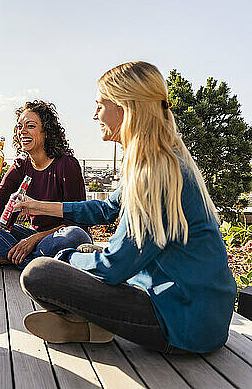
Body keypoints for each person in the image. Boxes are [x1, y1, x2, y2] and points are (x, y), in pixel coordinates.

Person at [18, 61, 237, 354]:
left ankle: (89, 322)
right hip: (199, 314)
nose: (95, 114)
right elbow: (107, 208)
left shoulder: (154, 174)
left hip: (181, 324)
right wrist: (41, 207)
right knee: (84, 255)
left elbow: (113, 267)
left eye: (100, 105)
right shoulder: (163, 159)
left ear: (124, 107)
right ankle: (90, 327)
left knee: (40, 273)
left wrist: (66, 257)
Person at [0, 100, 92, 269]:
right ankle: (38, 264)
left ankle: (19, 259)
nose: (22, 131)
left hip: (61, 236)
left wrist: (33, 240)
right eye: (19, 127)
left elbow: (79, 223)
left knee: (74, 235)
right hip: (35, 237)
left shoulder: (67, 164)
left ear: (46, 131)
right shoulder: (21, 165)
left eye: (30, 126)